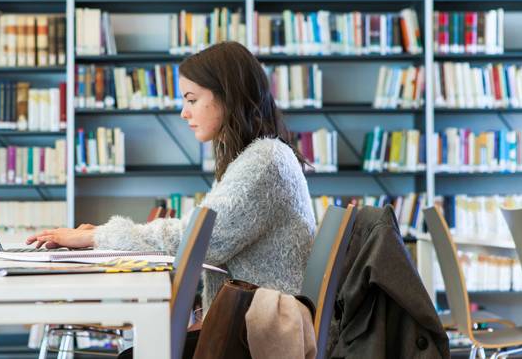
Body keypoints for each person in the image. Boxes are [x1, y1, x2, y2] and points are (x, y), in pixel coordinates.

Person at [27, 41, 315, 309]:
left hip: (259, 333)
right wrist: (101, 236)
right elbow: (198, 232)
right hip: (251, 321)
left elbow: (194, 240)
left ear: (227, 96)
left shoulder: (264, 161)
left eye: (191, 99)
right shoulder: (258, 156)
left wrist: (100, 237)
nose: (183, 113)